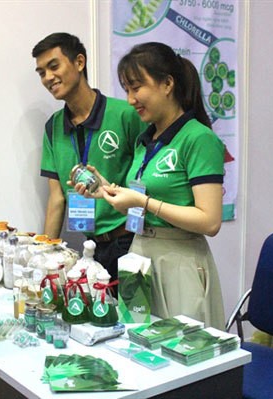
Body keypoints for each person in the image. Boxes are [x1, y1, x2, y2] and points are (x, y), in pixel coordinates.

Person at [75, 42, 225, 329]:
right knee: (137, 345)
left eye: (136, 87)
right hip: (138, 254)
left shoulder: (199, 138)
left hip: (178, 260)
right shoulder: (147, 140)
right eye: (126, 90)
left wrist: (142, 202)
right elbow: (142, 200)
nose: (131, 99)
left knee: (180, 355)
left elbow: (210, 221)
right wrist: (106, 191)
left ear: (167, 84)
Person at [32, 32, 147, 282]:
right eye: (41, 72)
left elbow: (145, 177)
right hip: (90, 248)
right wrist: (45, 256)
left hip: (131, 242)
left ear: (79, 62)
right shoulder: (53, 127)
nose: (48, 78)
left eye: (54, 66)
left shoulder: (125, 114)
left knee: (132, 319)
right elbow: (56, 198)